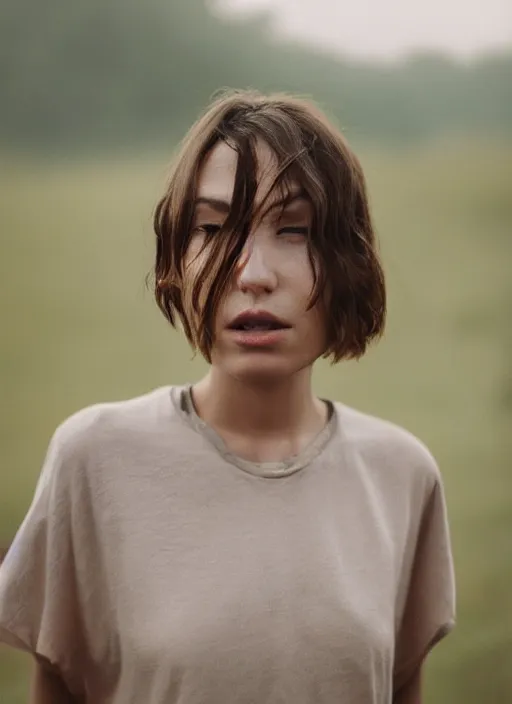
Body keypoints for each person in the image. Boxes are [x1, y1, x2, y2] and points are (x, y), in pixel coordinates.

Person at [0, 89, 455, 704]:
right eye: (212, 229)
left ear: (348, 258)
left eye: (294, 230)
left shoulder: (402, 476)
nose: (251, 273)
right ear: (175, 262)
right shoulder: (94, 460)